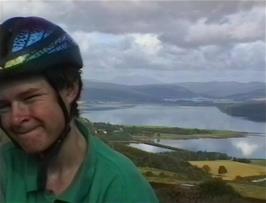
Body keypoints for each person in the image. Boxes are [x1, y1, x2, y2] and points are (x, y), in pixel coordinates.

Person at [0, 16, 159, 203]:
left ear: (70, 89)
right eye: (3, 106)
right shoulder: (4, 167)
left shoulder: (121, 187)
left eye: (30, 98)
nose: (15, 119)